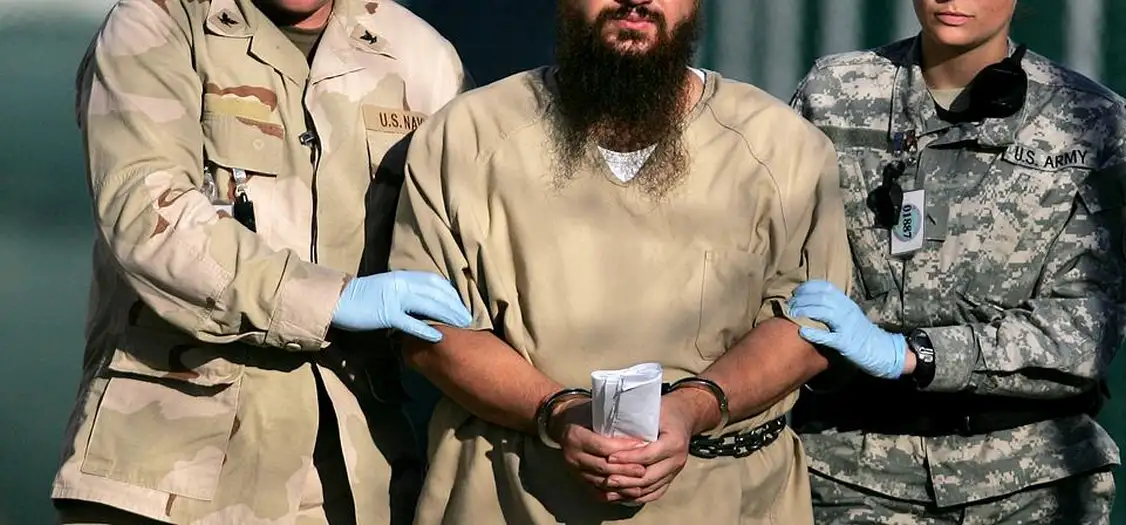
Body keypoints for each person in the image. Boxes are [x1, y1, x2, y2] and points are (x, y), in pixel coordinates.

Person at [381, 0, 871, 523]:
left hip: (725, 502)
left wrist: (694, 407)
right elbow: (430, 332)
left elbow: (808, 329)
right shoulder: (467, 136)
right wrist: (559, 413)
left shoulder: (782, 147)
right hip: (512, 497)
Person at [52, 0, 473, 523]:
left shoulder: (422, 57)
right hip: (169, 474)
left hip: (351, 479)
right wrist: (331, 298)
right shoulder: (160, 21)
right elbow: (147, 215)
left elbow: (474, 239)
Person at [787, 0, 1126, 523]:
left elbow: (1086, 328)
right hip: (849, 478)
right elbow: (774, 263)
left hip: (1033, 485)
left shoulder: (1085, 119)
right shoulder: (833, 94)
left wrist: (912, 354)